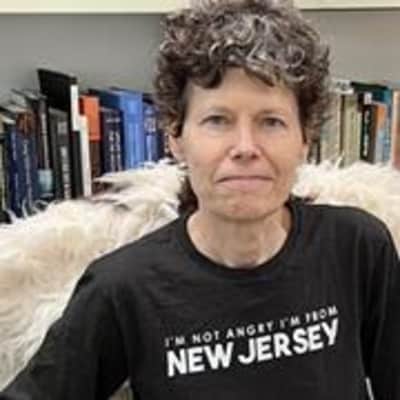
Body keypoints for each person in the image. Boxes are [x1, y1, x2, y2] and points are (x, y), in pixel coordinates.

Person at [1, 0, 400, 399]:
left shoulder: (357, 249)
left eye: (271, 121)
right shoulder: (124, 287)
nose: (245, 147)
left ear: (304, 139)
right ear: (176, 136)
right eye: (217, 120)